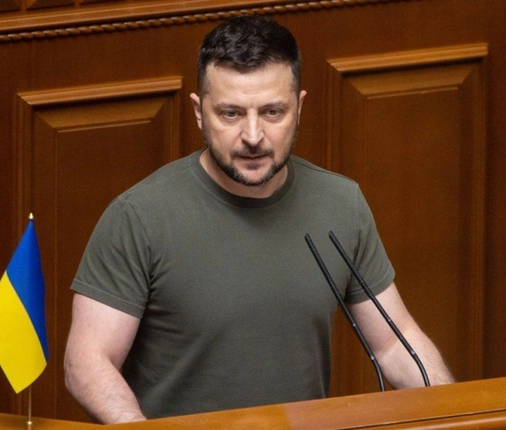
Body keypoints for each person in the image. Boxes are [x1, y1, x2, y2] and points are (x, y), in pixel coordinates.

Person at [64, 15, 455, 424]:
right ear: (199, 112)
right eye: (231, 114)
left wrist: (454, 411)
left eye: (272, 112)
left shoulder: (341, 203)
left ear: (299, 108)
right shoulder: (138, 217)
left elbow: (395, 343)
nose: (253, 136)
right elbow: (87, 361)